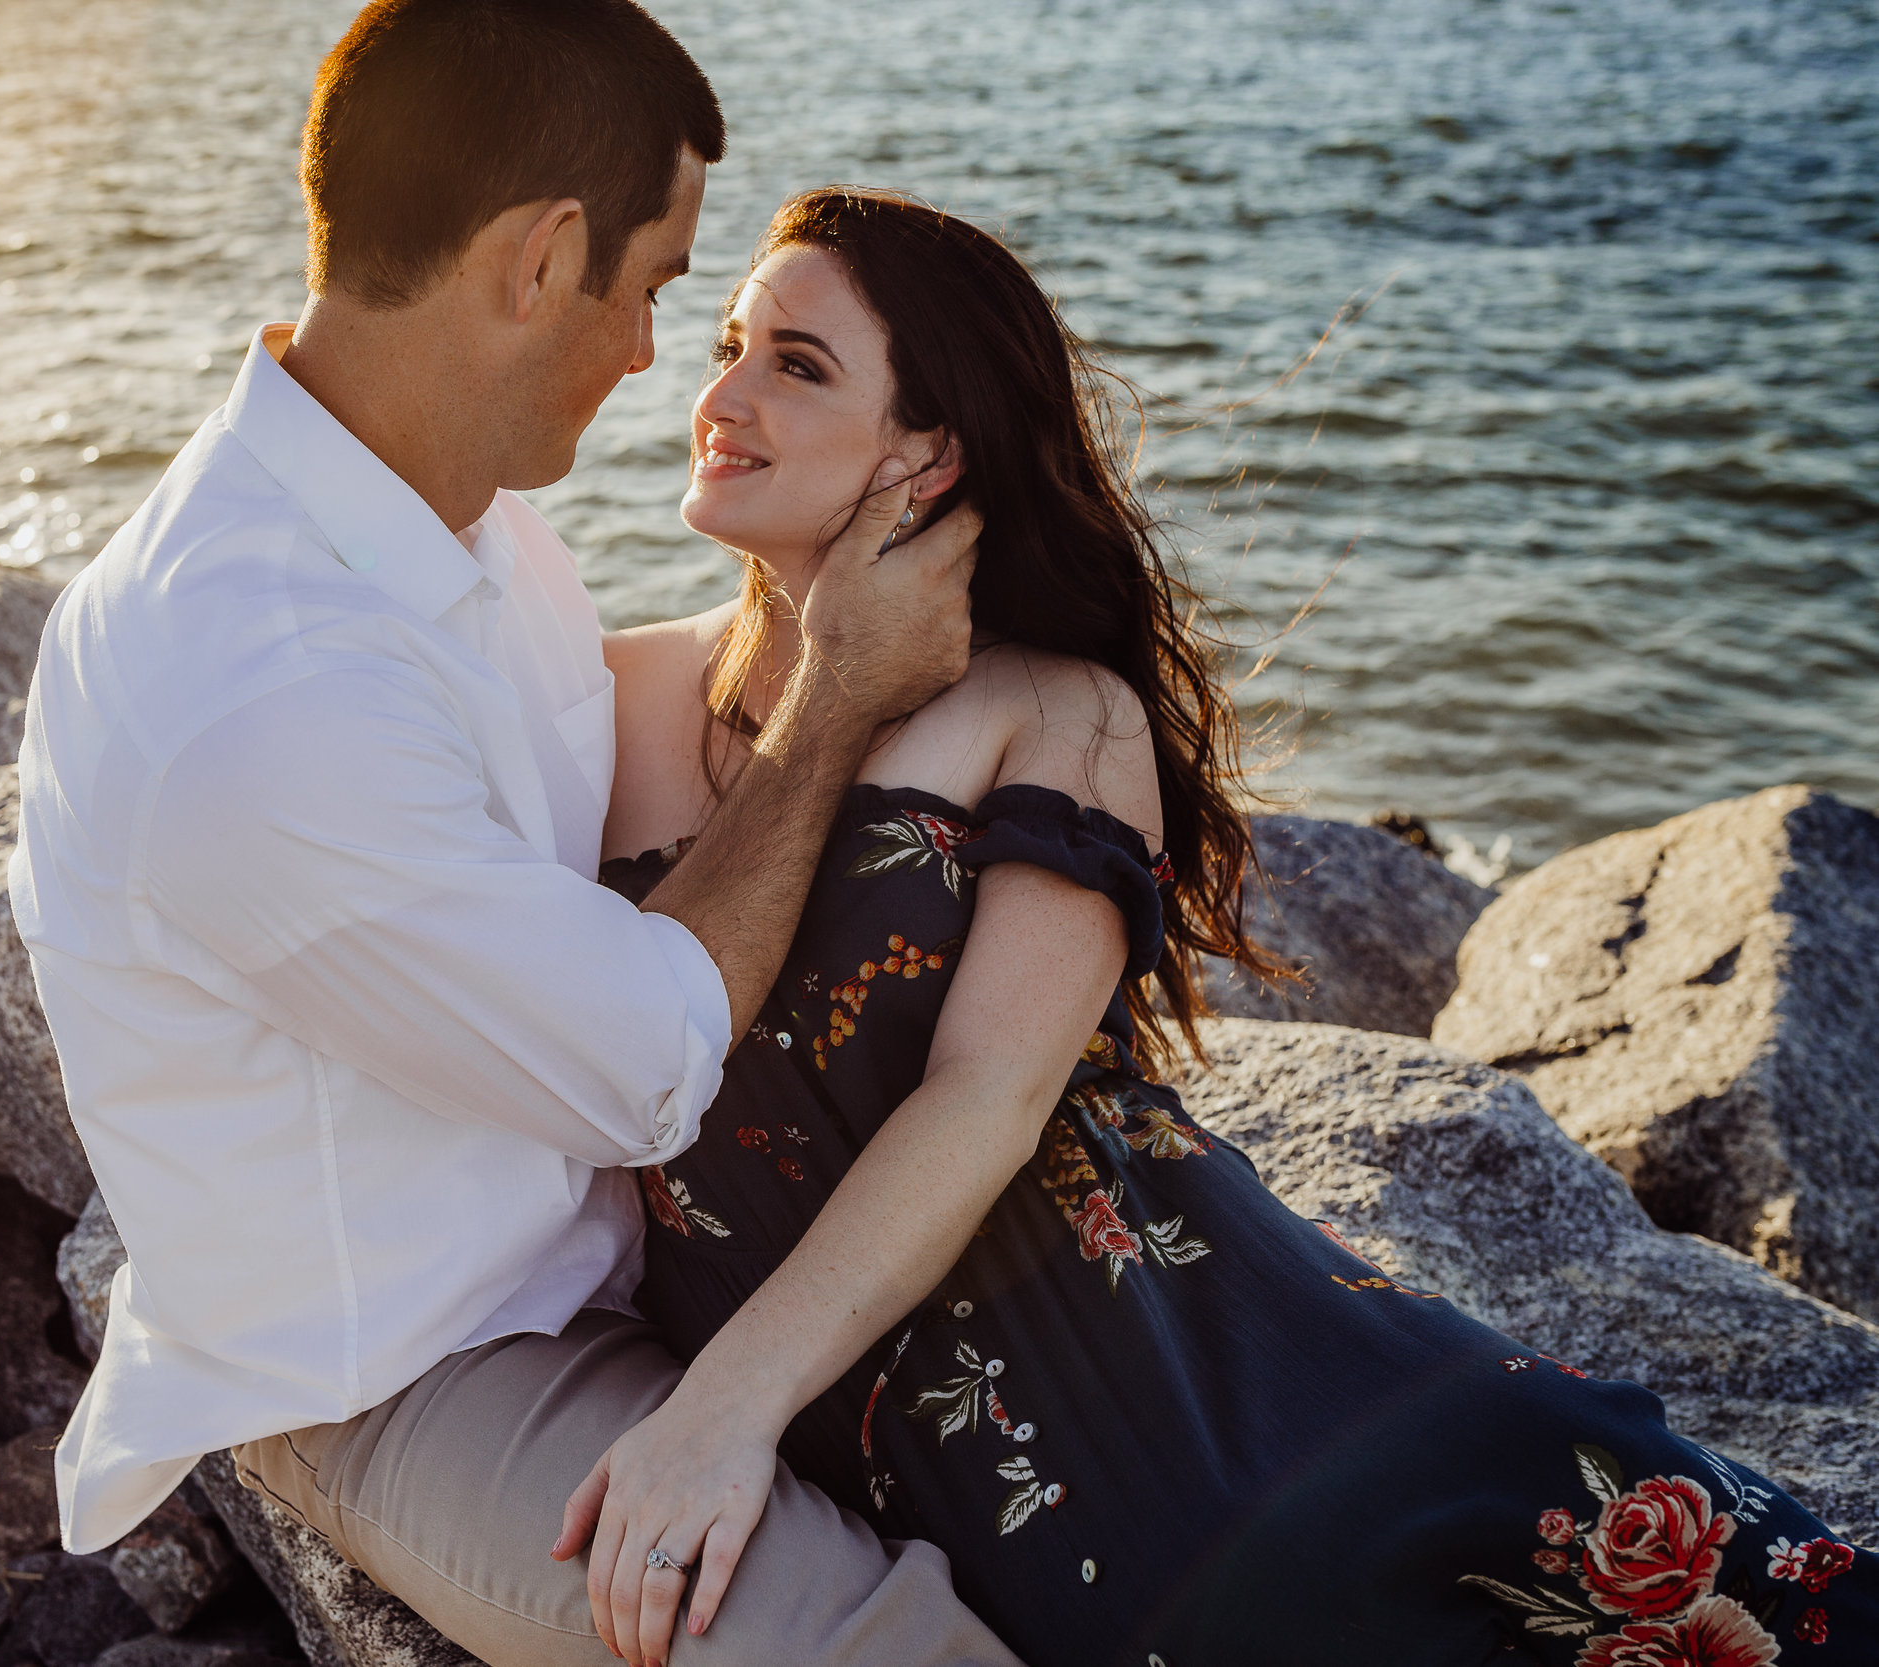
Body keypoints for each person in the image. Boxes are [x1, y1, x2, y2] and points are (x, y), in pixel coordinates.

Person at [579, 185, 1877, 1667]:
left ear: (925, 453)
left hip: (1177, 1369)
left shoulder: (1052, 707)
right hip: (880, 1431)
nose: (720, 393)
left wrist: (723, 1409)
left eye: (796, 365)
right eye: (732, 341)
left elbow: (988, 1095)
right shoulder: (602, 699)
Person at [11, 4, 1028, 1664]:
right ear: (544, 258)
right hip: (419, 1360)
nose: (651, 356)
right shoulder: (254, 682)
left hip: (626, 1251)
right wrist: (840, 697)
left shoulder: (453, 516)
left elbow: (649, 735)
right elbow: (642, 1058)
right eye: (657, 291)